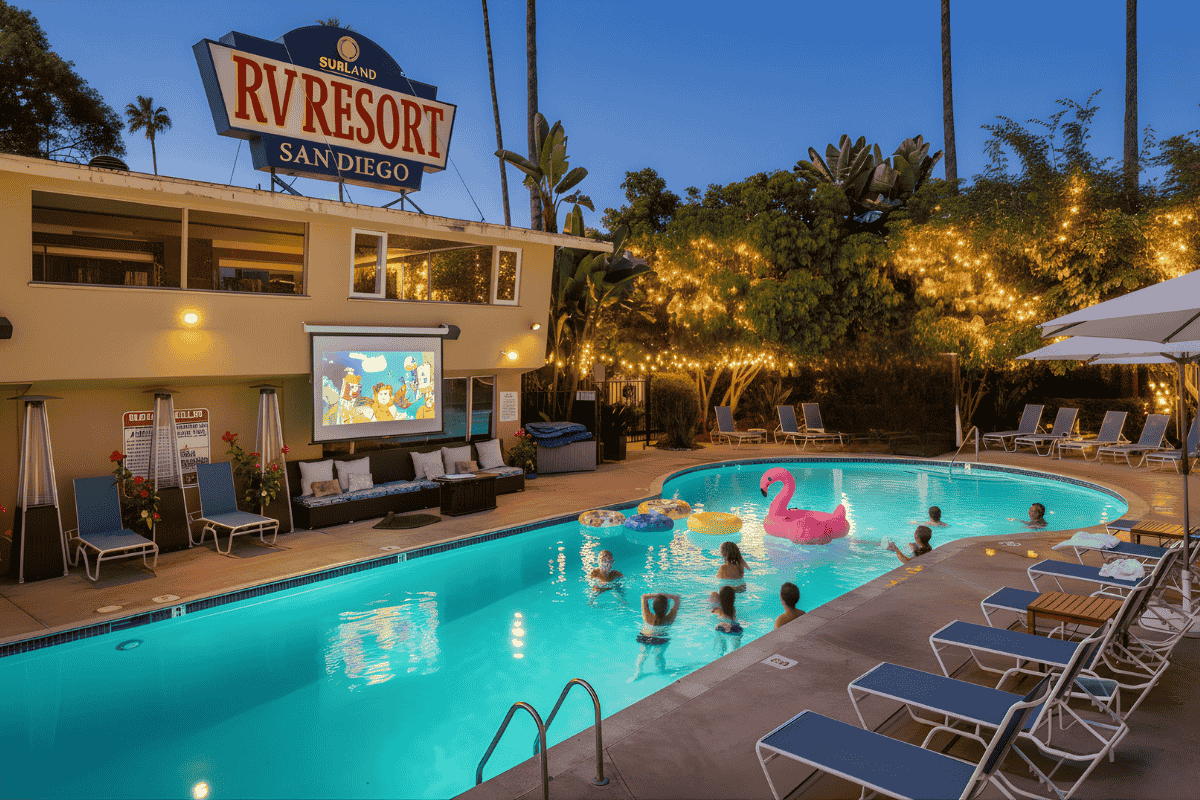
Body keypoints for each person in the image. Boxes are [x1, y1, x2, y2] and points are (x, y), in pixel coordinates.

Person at [631, 592, 681, 681]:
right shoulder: (670, 618)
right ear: (667, 608)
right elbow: (677, 598)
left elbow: (644, 597)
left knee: (643, 655)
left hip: (646, 638)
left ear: (653, 606)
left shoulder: (647, 616)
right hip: (661, 640)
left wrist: (659, 595)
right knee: (659, 655)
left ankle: (638, 673)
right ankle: (661, 671)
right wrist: (666, 596)